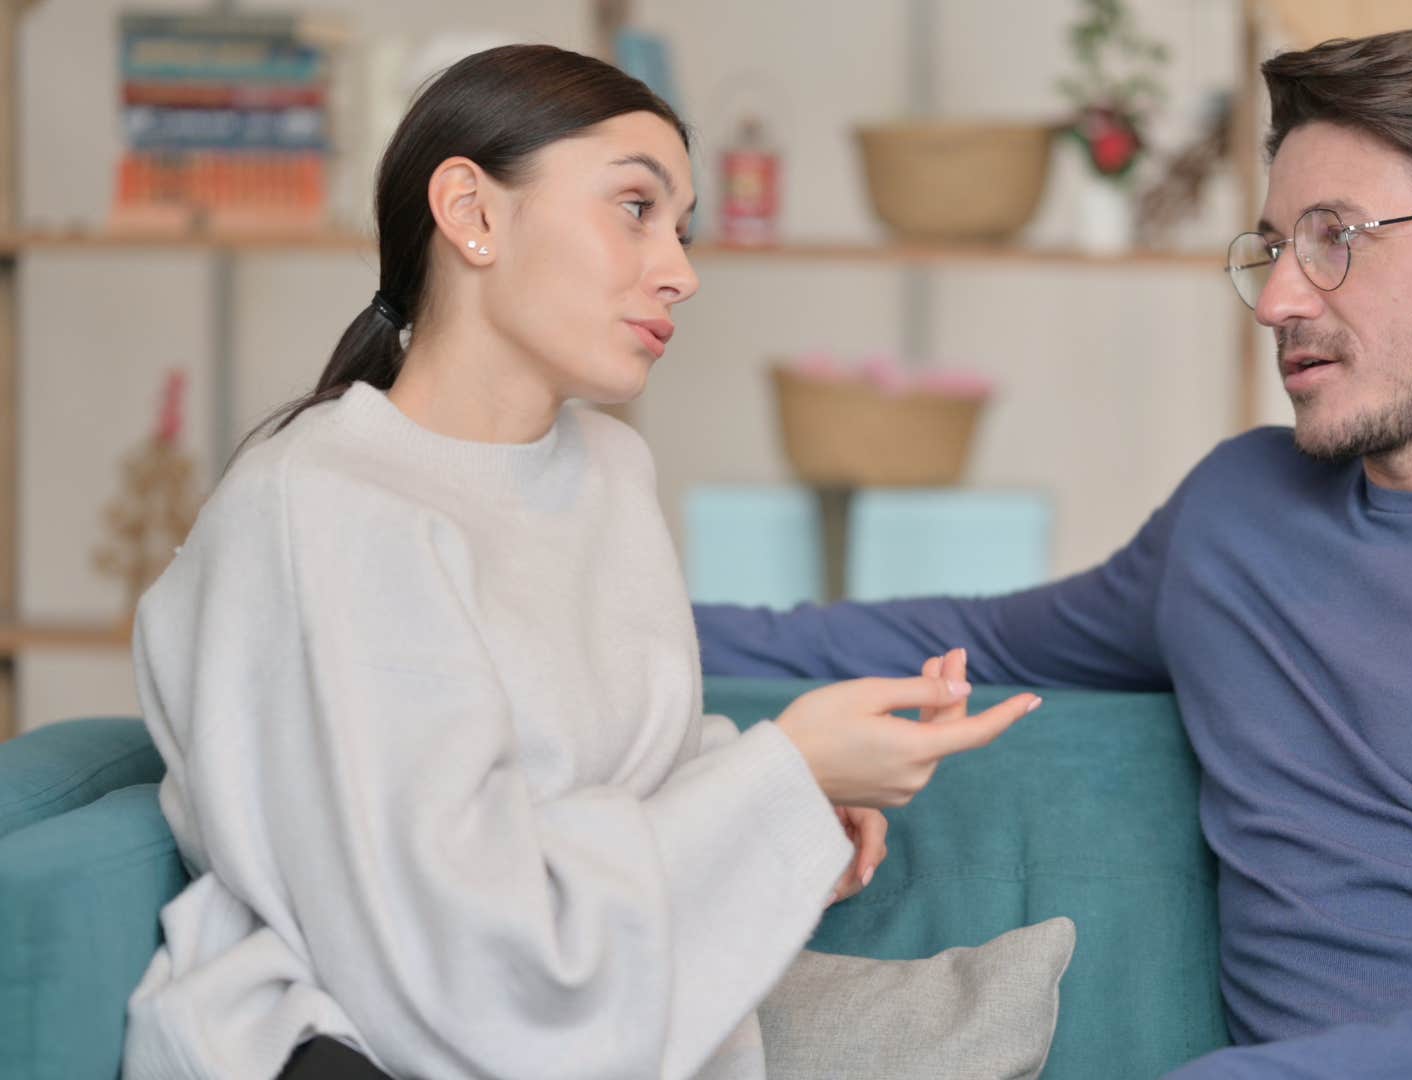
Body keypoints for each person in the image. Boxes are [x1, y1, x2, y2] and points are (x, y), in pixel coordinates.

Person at [694, 27, 1412, 1079]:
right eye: (1271, 249)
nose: (1277, 303)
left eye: (1338, 239)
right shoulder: (1240, 517)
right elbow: (937, 642)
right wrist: (577, 617)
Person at [121, 45, 1038, 1080]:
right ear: (471, 211)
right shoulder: (323, 507)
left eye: (682, 228)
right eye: (636, 208)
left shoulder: (607, 472)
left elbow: (626, 780)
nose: (682, 271)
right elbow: (454, 956)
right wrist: (781, 778)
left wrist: (792, 814)